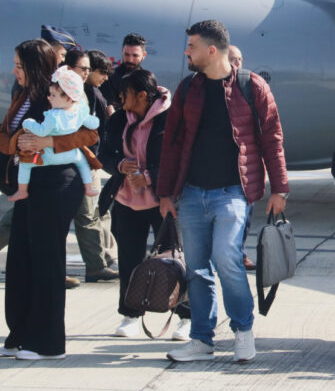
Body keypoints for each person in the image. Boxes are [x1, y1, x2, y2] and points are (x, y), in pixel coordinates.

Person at [158, 20, 289, 362]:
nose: (187, 52)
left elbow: (272, 139)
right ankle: (202, 340)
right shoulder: (188, 89)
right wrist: (165, 194)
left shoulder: (252, 86)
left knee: (226, 257)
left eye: (192, 47)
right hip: (191, 193)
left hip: (233, 192)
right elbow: (171, 144)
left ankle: (243, 332)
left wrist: (280, 188)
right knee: (197, 267)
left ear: (212, 50)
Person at [0, 39, 97, 360]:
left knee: (46, 260)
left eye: (19, 65)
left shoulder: (58, 93)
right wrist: (17, 144)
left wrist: (48, 140)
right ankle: (21, 333)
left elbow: (89, 135)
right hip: (30, 184)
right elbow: (10, 138)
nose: (14, 70)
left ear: (34, 66)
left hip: (56, 183)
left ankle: (48, 342)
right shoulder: (23, 95)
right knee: (21, 260)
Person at [97, 69, 191, 340]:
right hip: (127, 201)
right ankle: (130, 315)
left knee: (177, 258)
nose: (120, 99)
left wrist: (149, 176)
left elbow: (180, 160)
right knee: (129, 259)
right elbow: (103, 153)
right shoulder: (118, 120)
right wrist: (118, 165)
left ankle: (186, 317)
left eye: (124, 94)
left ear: (142, 96)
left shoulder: (171, 118)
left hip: (164, 201)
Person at [8, 67, 99, 201]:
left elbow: (42, 131)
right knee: (83, 162)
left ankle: (22, 191)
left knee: (25, 164)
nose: (49, 97)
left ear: (68, 98)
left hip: (50, 156)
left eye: (53, 95)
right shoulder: (81, 111)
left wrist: (28, 123)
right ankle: (89, 187)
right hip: (72, 154)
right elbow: (95, 124)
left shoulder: (53, 116)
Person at [67, 49, 119, 282]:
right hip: (81, 163)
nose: (104, 78)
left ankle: (100, 261)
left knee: (93, 214)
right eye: (87, 70)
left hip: (85, 163)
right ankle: (97, 264)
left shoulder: (89, 93)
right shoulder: (79, 93)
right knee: (88, 215)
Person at [227, 44, 255, 271]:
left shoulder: (250, 87)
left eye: (239, 60)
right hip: (223, 168)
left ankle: (240, 253)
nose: (236, 64)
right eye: (231, 60)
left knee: (245, 215)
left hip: (247, 166)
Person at [100, 32, 147, 113]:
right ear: (122, 52)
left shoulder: (147, 80)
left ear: (144, 55)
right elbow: (106, 104)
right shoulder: (110, 77)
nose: (130, 60)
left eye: (135, 55)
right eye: (126, 54)